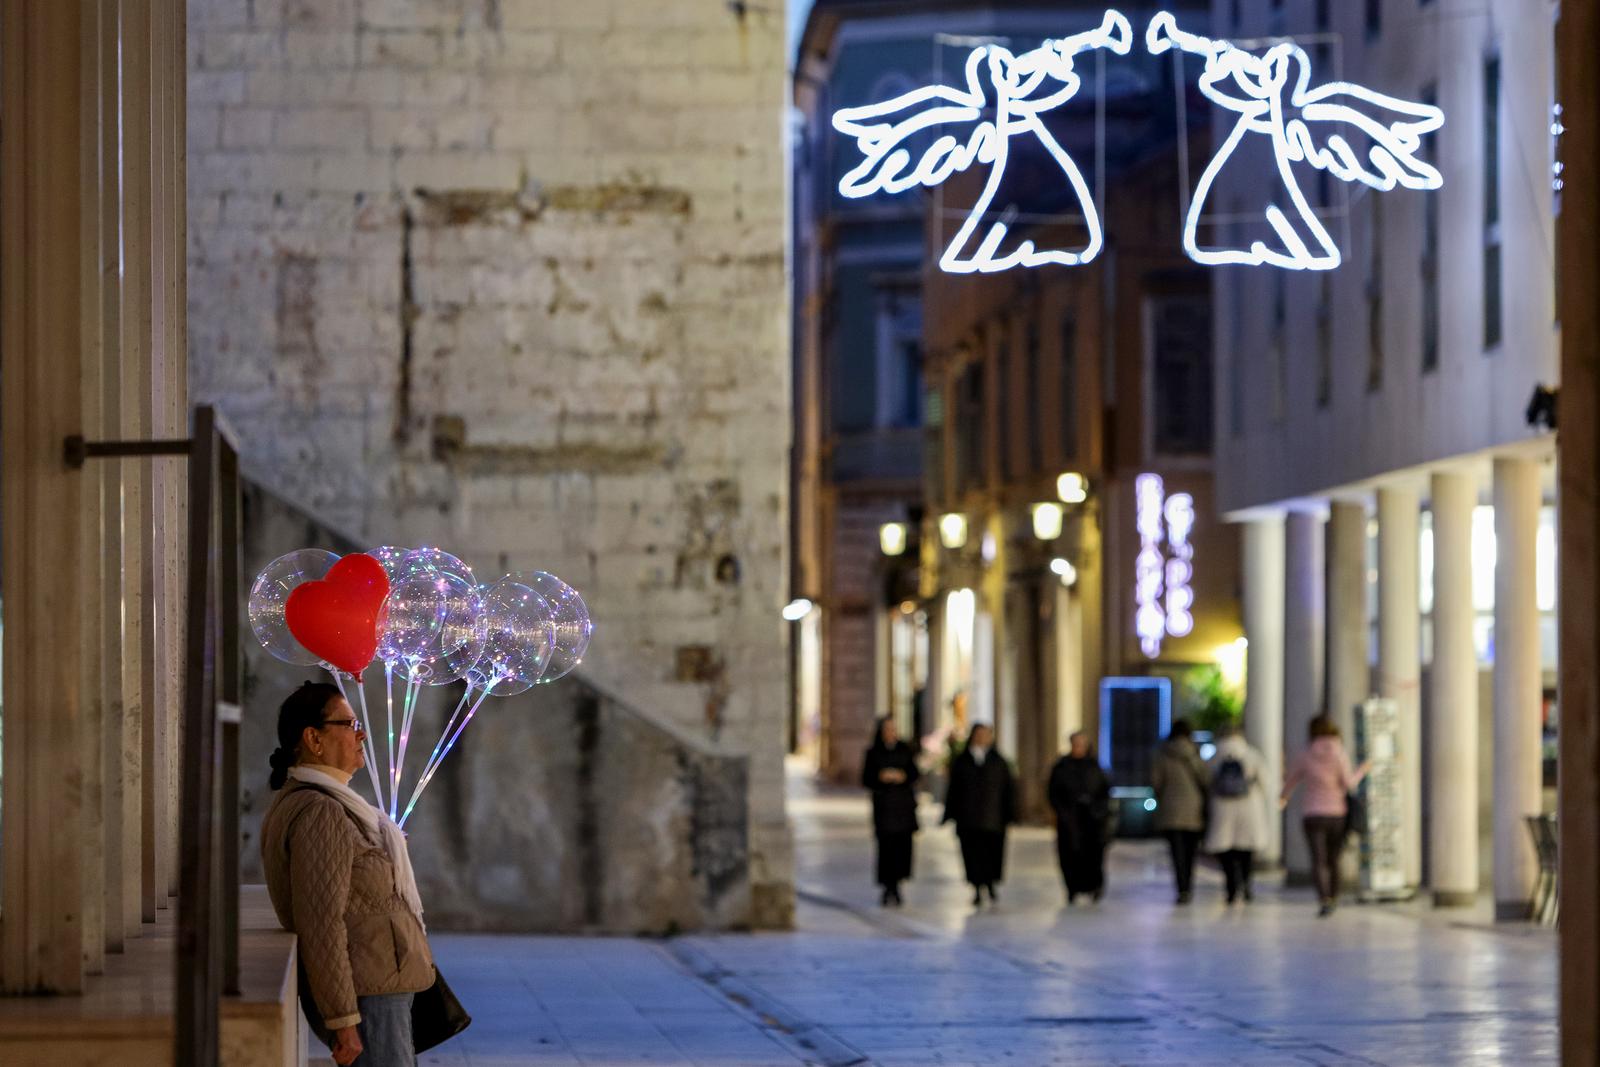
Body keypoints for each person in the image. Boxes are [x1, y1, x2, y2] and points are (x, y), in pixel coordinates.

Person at [260, 682, 436, 1066]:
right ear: (314, 739)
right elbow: (321, 923)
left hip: (378, 986)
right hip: (366, 996)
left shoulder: (330, 803)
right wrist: (343, 1019)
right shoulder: (320, 811)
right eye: (349, 723)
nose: (362, 734)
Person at [1281, 714, 1371, 917]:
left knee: (1318, 860)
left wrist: (1283, 797)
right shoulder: (1339, 752)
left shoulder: (1306, 753)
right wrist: (1362, 770)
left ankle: (1324, 899)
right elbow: (1349, 783)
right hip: (1336, 813)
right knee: (1334, 859)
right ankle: (1334, 896)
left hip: (1312, 813)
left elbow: (1291, 780)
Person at [942, 723, 1016, 907]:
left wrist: (1010, 814)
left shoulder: (999, 762)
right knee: (972, 854)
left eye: (986, 735)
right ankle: (976, 886)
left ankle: (990, 884)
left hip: (993, 818)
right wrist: (950, 814)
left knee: (992, 853)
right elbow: (954, 790)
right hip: (969, 819)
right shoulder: (962, 761)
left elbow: (1008, 790)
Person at [1203, 723, 1270, 904]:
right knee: (1246, 850)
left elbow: (1206, 781)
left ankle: (1231, 887)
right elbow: (1265, 782)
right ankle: (1246, 884)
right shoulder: (1252, 754)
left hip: (1222, 807)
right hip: (1249, 807)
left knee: (1226, 850)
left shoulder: (1215, 756)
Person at [1047, 731, 1112, 904]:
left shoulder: (1095, 766)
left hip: (1092, 821)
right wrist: (1063, 812)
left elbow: (1104, 792)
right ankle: (1072, 888)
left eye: (1082, 744)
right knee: (1070, 856)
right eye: (1076, 744)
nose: (1079, 748)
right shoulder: (1062, 767)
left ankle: (1094, 886)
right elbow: (1053, 793)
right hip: (1070, 821)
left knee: (1093, 856)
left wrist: (1099, 811)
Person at [861, 716, 920, 906]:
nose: (891, 732)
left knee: (902, 848)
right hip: (884, 808)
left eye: (893, 728)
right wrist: (881, 777)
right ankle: (887, 886)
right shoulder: (873, 752)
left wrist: (903, 776)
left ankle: (898, 886)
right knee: (886, 849)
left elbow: (914, 773)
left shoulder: (905, 749)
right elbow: (866, 778)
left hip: (903, 808)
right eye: (887, 729)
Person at [1150, 718, 1209, 904]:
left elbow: (1155, 782)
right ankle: (1188, 886)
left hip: (1171, 810)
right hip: (1194, 810)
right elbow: (1206, 779)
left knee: (1177, 853)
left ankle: (1181, 887)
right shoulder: (1195, 754)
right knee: (1191, 852)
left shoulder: (1162, 754)